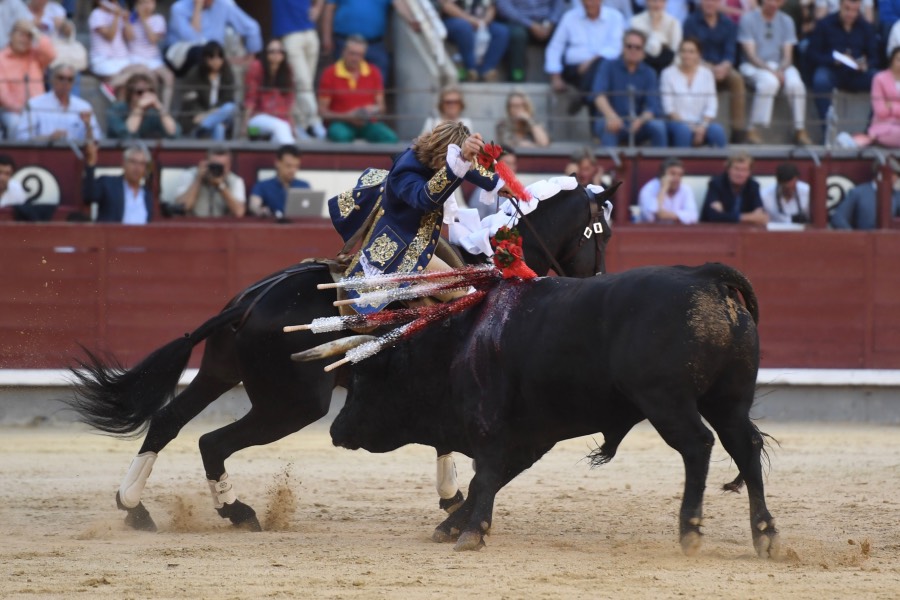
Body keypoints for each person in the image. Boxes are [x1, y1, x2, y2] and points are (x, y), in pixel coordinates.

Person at [330, 120, 513, 313]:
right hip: (402, 248)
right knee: (464, 294)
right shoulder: (405, 171)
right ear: (443, 154)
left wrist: (497, 184)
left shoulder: (430, 157)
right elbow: (425, 199)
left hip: (419, 238)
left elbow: (465, 167)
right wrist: (459, 164)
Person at [738, 0, 812, 145]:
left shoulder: (787, 21)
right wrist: (771, 71)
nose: (773, 3)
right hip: (753, 66)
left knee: (796, 84)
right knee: (769, 82)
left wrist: (780, 69)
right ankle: (754, 129)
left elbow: (788, 56)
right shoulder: (748, 19)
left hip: (779, 65)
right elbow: (751, 55)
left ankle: (800, 129)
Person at [683, 0, 749, 143]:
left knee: (736, 79)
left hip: (722, 67)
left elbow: (730, 53)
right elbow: (689, 51)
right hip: (699, 66)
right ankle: (699, 131)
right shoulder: (690, 22)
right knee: (702, 75)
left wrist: (724, 67)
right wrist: (709, 68)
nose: (710, 3)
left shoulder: (728, 24)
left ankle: (738, 132)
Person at [590, 29, 667, 148]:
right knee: (609, 129)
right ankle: (611, 166)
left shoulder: (649, 73)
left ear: (643, 52)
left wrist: (640, 120)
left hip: (638, 123)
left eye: (637, 47)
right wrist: (611, 116)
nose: (633, 50)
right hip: (610, 118)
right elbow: (598, 95)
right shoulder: (607, 66)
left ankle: (663, 165)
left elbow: (652, 107)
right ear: (622, 48)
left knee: (658, 127)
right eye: (629, 46)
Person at [317, 35, 398, 143]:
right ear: (343, 52)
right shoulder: (330, 73)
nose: (355, 58)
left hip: (368, 123)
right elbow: (322, 112)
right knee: (339, 135)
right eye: (352, 53)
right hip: (341, 123)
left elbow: (382, 108)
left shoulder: (373, 72)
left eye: (360, 55)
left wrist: (373, 110)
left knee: (389, 137)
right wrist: (348, 116)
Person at [320, 0, 422, 86]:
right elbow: (329, 9)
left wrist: (411, 19)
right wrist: (326, 37)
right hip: (345, 43)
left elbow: (399, 3)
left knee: (378, 80)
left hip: (374, 44)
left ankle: (373, 108)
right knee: (343, 81)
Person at [808, 0, 877, 124]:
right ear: (840, 5)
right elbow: (812, 54)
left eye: (855, 10)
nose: (850, 14)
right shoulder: (825, 24)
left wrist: (865, 64)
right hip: (832, 71)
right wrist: (833, 60)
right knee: (820, 79)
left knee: (879, 79)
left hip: (857, 74)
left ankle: (872, 129)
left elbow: (875, 57)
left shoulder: (865, 27)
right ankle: (827, 129)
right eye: (847, 8)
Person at [545, 0, 625, 96]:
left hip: (605, 67)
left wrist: (591, 62)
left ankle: (584, 97)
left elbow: (615, 47)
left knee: (602, 68)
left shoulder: (615, 17)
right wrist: (555, 76)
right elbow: (555, 47)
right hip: (576, 69)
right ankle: (588, 97)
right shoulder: (570, 17)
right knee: (601, 76)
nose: (588, 3)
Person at [274, 0, 328, 140]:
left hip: (310, 31)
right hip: (290, 34)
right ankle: (315, 121)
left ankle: (300, 125)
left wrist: (318, 7)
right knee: (302, 82)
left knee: (304, 85)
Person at [165, 0, 262, 76]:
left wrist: (251, 56)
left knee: (216, 55)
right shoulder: (178, 8)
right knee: (200, 53)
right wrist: (197, 8)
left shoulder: (222, 4)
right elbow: (193, 39)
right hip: (181, 57)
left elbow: (252, 27)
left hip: (215, 54)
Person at [660, 38, 727, 147]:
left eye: (691, 52)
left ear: (698, 55)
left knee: (717, 130)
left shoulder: (707, 74)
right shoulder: (667, 74)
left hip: (702, 124)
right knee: (683, 131)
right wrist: (692, 128)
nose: (687, 55)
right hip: (677, 123)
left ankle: (723, 163)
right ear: (679, 53)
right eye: (683, 51)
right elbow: (669, 109)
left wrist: (702, 127)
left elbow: (711, 106)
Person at [15, 63, 102, 141]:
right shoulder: (34, 104)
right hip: (44, 154)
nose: (65, 82)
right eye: (61, 78)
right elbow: (21, 137)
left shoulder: (84, 106)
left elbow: (96, 140)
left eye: (70, 79)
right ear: (52, 79)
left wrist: (88, 127)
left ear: (73, 83)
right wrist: (48, 138)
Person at [0, 19, 56, 139]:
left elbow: (51, 54)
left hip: (41, 109)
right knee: (17, 124)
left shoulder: (35, 55)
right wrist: (24, 111)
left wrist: (36, 32)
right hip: (13, 112)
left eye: (29, 36)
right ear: (10, 35)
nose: (24, 39)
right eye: (21, 35)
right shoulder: (1, 59)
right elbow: (3, 96)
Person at [81, 142, 155, 224]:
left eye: (142, 164)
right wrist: (91, 164)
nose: (137, 168)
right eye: (133, 162)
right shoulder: (108, 184)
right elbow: (88, 196)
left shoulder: (147, 194)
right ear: (123, 164)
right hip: (111, 236)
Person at [177, 40, 237, 140]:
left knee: (230, 108)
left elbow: (228, 97)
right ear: (205, 58)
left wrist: (211, 113)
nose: (216, 61)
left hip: (217, 113)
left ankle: (204, 126)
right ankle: (217, 152)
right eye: (212, 57)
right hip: (199, 116)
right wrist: (199, 113)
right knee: (219, 126)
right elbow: (189, 99)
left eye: (219, 57)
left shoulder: (227, 73)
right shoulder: (195, 73)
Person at [241, 38, 297, 144]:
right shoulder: (256, 67)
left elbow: (289, 102)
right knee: (281, 127)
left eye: (280, 52)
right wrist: (245, 126)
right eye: (272, 51)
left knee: (281, 133)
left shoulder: (287, 70)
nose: (276, 54)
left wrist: (293, 127)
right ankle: (293, 155)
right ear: (265, 54)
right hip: (255, 124)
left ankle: (288, 157)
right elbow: (250, 98)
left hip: (280, 121)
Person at [495, 0, 567, 81]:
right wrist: (530, 24)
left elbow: (559, 4)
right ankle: (517, 78)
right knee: (517, 36)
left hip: (548, 23)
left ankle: (563, 79)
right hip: (519, 23)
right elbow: (505, 8)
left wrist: (551, 22)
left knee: (564, 32)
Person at [439, 0, 510, 82]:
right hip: (455, 20)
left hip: (480, 22)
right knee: (464, 27)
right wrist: (470, 20)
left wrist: (484, 22)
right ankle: (471, 70)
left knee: (501, 31)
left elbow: (492, 7)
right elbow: (446, 5)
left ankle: (486, 71)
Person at [171, 146, 247, 217]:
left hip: (223, 228)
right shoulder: (190, 175)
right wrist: (198, 179)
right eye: (214, 165)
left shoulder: (236, 181)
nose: (217, 169)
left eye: (222, 166)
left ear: (229, 166)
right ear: (206, 163)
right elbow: (183, 207)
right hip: (195, 225)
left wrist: (221, 186)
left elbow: (239, 212)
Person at [127, 0, 174, 111]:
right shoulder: (131, 20)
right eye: (143, 2)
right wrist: (132, 19)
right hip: (135, 59)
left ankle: (164, 110)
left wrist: (144, 20)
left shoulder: (158, 19)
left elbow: (153, 39)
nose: (147, 5)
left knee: (169, 77)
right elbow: (128, 37)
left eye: (150, 2)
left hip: (154, 59)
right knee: (151, 79)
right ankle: (149, 109)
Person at [701, 151, 769, 225]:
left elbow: (761, 217)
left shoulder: (753, 186)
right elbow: (713, 216)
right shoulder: (716, 184)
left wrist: (726, 215)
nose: (740, 174)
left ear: (749, 172)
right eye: (736, 169)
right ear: (728, 170)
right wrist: (748, 217)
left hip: (744, 232)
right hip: (716, 231)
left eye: (744, 170)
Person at [830, 158, 900, 228]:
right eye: (893, 175)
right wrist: (855, 237)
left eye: (897, 175)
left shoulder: (896, 195)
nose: (896, 178)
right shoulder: (858, 192)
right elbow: (838, 218)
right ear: (879, 175)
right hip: (864, 236)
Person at [107, 72, 178, 139]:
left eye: (151, 91)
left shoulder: (153, 112)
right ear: (130, 94)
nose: (146, 95)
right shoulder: (116, 110)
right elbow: (126, 135)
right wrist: (139, 108)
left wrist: (160, 108)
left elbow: (174, 133)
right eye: (140, 92)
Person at [248, 144, 311, 218]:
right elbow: (254, 205)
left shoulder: (304, 186)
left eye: (296, 166)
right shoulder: (263, 186)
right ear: (278, 163)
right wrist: (260, 211)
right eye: (288, 166)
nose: (292, 170)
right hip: (272, 227)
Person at [637, 158, 698, 224]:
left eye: (680, 175)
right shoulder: (649, 189)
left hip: (678, 232)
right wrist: (663, 189)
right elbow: (650, 217)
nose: (677, 178)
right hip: (653, 232)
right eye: (673, 174)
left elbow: (693, 216)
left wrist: (665, 215)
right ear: (662, 175)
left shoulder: (685, 189)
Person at [630, 0, 682, 73]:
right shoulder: (636, 22)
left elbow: (676, 51)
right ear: (647, 2)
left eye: (661, 1)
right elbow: (652, 52)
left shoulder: (673, 22)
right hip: (642, 67)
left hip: (667, 67)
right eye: (654, 1)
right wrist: (655, 29)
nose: (657, 5)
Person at [867, 46, 900, 147]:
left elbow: (887, 108)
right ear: (891, 60)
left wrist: (892, 107)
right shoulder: (879, 79)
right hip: (884, 128)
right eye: (899, 60)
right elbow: (880, 111)